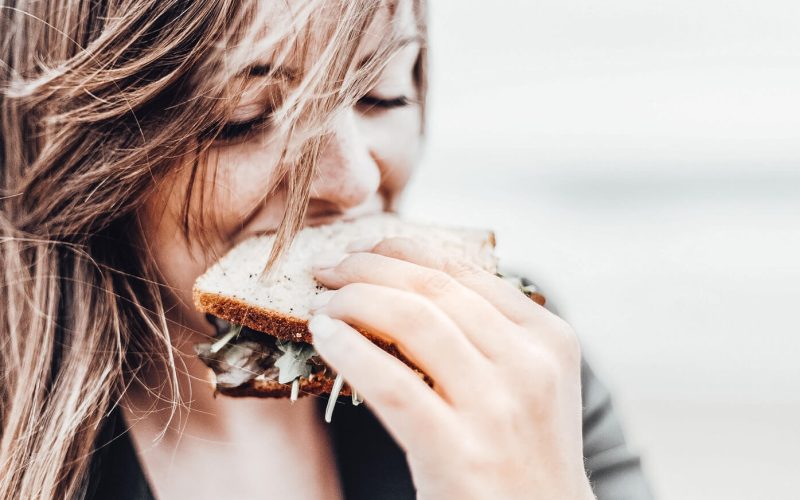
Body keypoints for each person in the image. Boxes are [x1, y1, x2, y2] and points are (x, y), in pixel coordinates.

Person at [0, 1, 653, 498]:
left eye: (384, 93)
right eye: (245, 116)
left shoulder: (514, 361)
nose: (357, 182)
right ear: (78, 150)